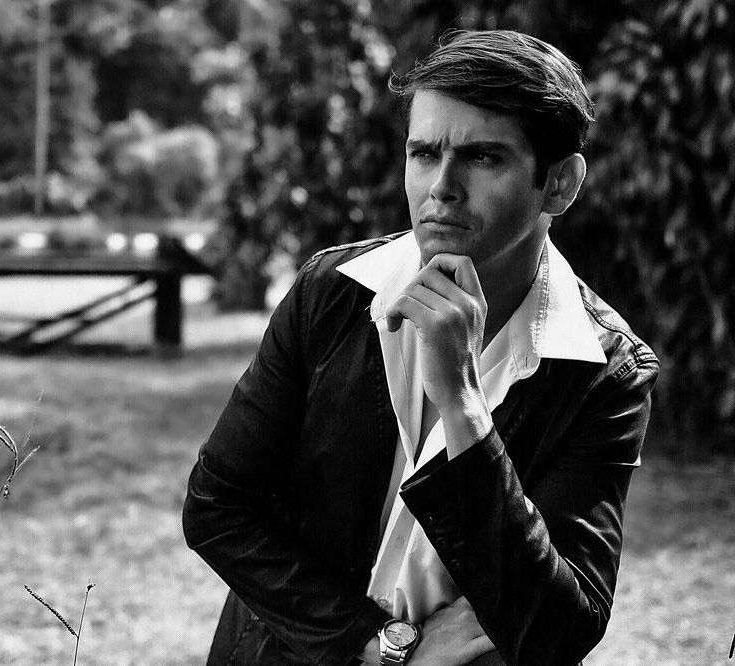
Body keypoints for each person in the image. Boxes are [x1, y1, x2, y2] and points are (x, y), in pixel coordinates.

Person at [183, 29, 658, 666]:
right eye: (425, 152)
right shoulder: (332, 292)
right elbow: (216, 507)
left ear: (560, 184)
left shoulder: (606, 371)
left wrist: (463, 407)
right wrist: (378, 646)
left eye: (483, 157)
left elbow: (560, 629)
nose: (442, 186)